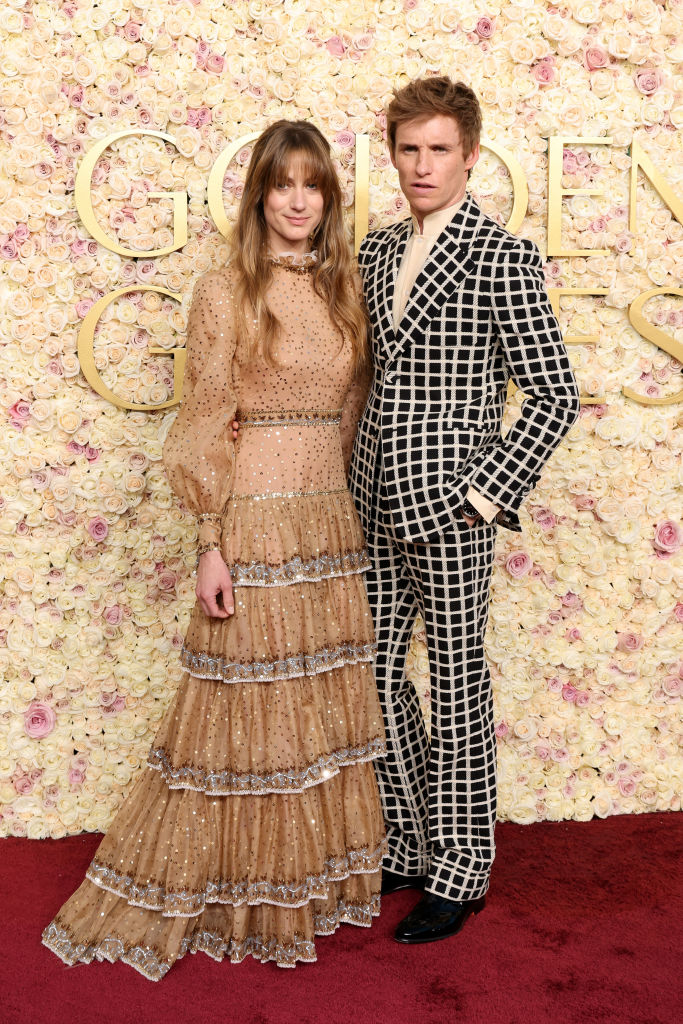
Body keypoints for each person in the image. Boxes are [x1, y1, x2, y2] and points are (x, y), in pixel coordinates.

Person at [42, 120, 386, 977]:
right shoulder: (223, 289)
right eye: (282, 183)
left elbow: (347, 415)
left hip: (327, 520)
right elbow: (203, 418)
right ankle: (237, 890)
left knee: (308, 710)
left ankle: (301, 879)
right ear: (259, 194)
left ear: (328, 197)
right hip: (255, 516)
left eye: (313, 184)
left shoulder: (345, 289)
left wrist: (332, 496)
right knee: (246, 708)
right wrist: (210, 541)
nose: (299, 200)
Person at [348, 77, 581, 945]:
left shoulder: (500, 255)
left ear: (470, 155)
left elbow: (554, 395)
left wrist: (482, 496)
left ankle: (460, 868)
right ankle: (407, 842)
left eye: (438, 149)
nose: (421, 165)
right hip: (373, 498)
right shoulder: (373, 253)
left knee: (453, 682)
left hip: (453, 511)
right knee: (371, 679)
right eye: (407, 149)